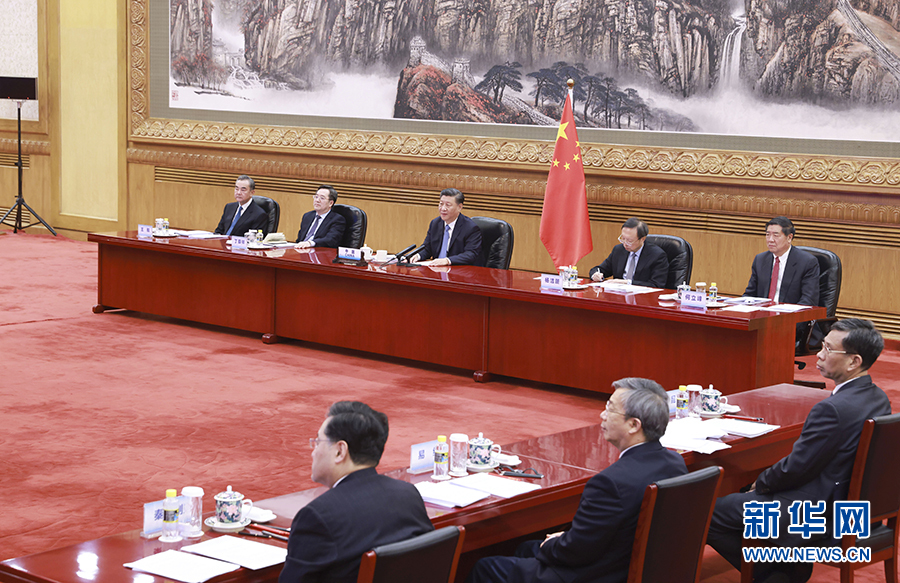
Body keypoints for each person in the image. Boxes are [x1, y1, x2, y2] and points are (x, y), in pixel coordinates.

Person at [706, 318, 891, 583]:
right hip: (852, 509)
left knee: (708, 513)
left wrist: (760, 483)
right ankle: (787, 570)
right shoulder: (878, 397)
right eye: (822, 346)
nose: (819, 354)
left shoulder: (832, 410)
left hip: (818, 515)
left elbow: (796, 468)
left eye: (828, 349)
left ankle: (775, 575)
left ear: (854, 361)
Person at [466, 377, 688, 583]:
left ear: (634, 425)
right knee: (525, 548)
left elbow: (575, 552)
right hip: (631, 564)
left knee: (486, 567)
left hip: (592, 574)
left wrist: (554, 542)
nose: (602, 415)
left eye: (610, 409)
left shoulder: (610, 483)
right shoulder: (676, 463)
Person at [279, 401, 434, 583]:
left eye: (318, 442)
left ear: (340, 451)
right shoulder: (408, 495)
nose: (313, 452)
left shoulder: (318, 516)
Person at [743, 216, 819, 305]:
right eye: (768, 234)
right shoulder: (760, 259)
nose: (770, 240)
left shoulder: (807, 262)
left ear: (789, 237)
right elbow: (750, 294)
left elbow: (809, 300)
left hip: (790, 312)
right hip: (762, 311)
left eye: (776, 235)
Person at [409, 188, 484, 266]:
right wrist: (418, 255)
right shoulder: (435, 223)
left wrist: (448, 260)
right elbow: (427, 248)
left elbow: (471, 254)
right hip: (436, 269)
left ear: (459, 207)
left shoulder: (470, 228)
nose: (443, 208)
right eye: (441, 204)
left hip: (457, 270)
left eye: (448, 205)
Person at [589, 218, 669, 287]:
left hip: (642, 297)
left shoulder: (657, 255)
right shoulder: (619, 250)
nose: (625, 244)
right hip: (618, 296)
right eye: (623, 238)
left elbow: (656, 285)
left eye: (629, 241)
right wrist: (595, 274)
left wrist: (627, 283)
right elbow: (600, 269)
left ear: (642, 239)